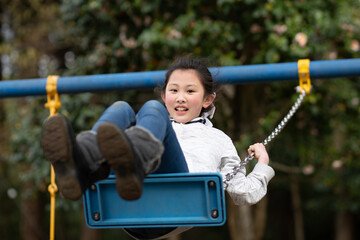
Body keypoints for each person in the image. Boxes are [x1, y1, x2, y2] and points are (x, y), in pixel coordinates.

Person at [41, 57, 275, 239]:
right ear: (165, 95)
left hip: (176, 207)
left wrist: (262, 164)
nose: (180, 97)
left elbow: (244, 193)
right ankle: (81, 166)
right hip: (128, 203)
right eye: (174, 90)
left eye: (190, 91)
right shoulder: (154, 122)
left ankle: (132, 163)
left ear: (207, 100)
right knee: (122, 108)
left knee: (152, 110)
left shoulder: (219, 139)